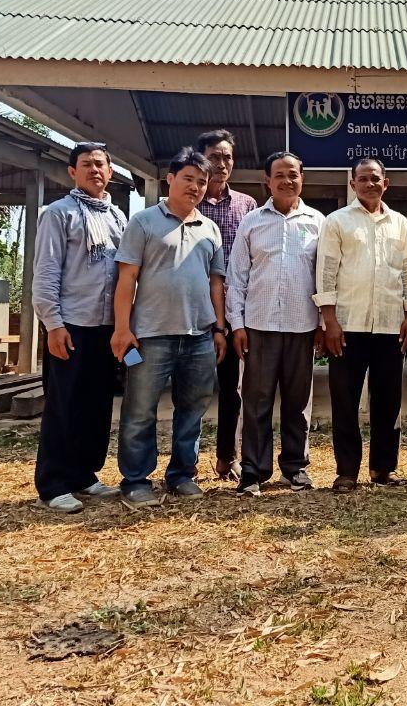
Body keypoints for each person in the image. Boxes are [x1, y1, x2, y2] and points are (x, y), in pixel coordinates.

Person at [112, 149, 227, 509]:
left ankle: (181, 475)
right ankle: (135, 480)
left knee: (192, 410)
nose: (195, 186)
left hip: (199, 337)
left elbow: (216, 284)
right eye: (188, 178)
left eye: (202, 181)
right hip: (150, 335)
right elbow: (126, 277)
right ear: (171, 179)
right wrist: (122, 328)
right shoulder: (144, 222)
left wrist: (219, 328)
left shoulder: (209, 228)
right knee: (140, 410)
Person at [31, 142, 128, 513]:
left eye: (100, 164)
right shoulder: (58, 214)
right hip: (70, 324)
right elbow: (46, 272)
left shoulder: (118, 217)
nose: (94, 170)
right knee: (64, 404)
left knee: (97, 404)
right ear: (72, 172)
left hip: (106, 326)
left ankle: (85, 475)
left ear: (111, 171)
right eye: (86, 164)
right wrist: (53, 324)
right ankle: (54, 483)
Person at [314, 156, 407, 492]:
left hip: (390, 323)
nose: (370, 184)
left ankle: (383, 469)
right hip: (348, 324)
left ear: (385, 183)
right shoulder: (337, 222)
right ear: (352, 184)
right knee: (344, 399)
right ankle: (347, 472)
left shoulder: (399, 223)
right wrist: (329, 320)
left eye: (376, 178)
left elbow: (406, 271)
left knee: (388, 400)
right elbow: (327, 271)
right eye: (363, 178)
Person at [225, 150, 325, 496]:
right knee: (255, 401)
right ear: (267, 181)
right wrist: (237, 325)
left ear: (302, 178)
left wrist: (323, 326)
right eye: (279, 175)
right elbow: (236, 278)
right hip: (258, 326)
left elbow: (324, 278)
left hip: (303, 327)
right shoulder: (251, 222)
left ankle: (295, 468)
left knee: (298, 404)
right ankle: (253, 471)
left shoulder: (317, 222)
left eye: (293, 174)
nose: (287, 180)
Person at [195, 129, 257, 482]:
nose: (221, 164)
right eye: (214, 157)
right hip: (193, 309)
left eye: (227, 158)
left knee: (232, 388)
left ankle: (226, 457)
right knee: (192, 390)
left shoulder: (246, 205)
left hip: (233, 311)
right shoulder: (190, 201)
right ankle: (185, 461)